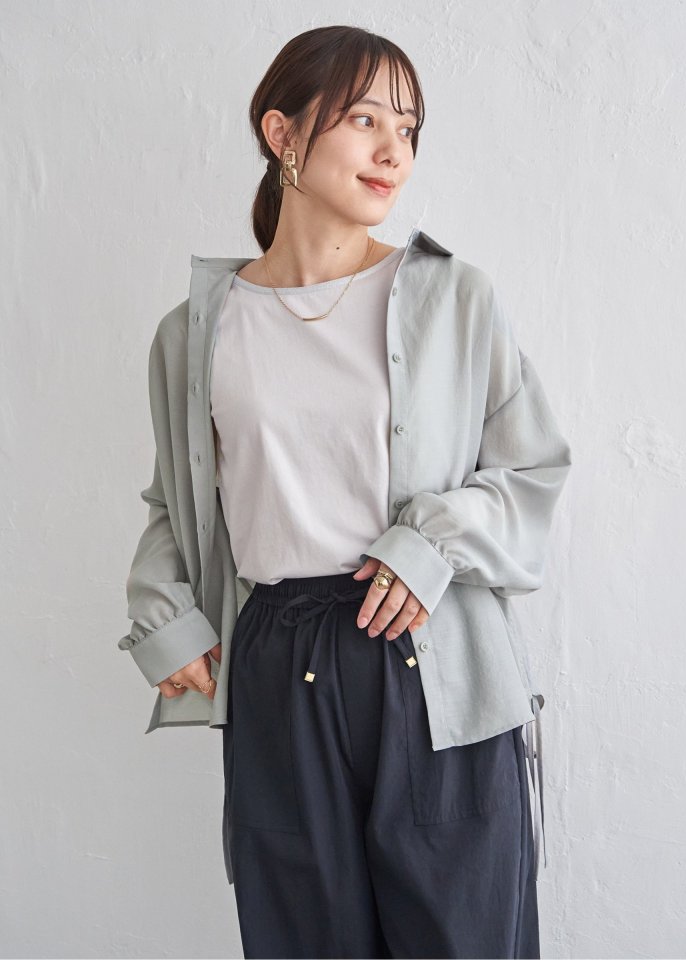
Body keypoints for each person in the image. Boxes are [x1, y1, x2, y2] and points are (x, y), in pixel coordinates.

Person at [119, 24, 572, 960]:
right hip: (278, 663)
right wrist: (165, 615)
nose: (392, 149)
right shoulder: (195, 332)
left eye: (407, 127)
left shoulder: (454, 297)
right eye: (365, 119)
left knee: (463, 939)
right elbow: (180, 499)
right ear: (282, 133)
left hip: (432, 651)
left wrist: (427, 543)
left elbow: (531, 469)